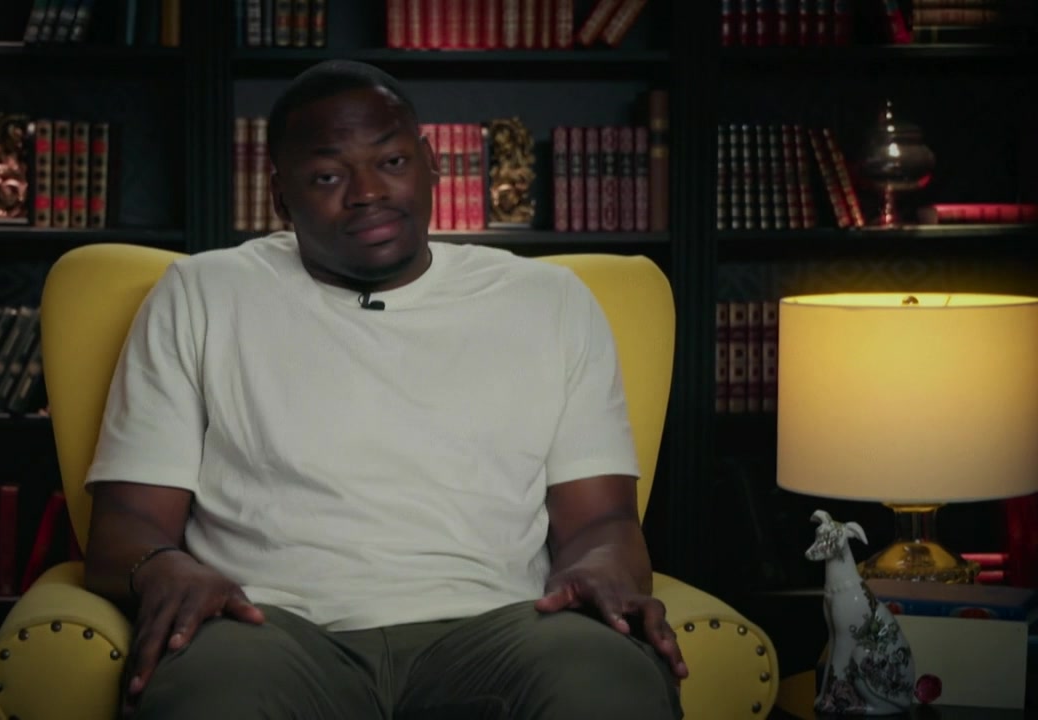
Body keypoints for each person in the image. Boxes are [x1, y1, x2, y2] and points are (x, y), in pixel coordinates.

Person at [83, 59, 687, 720]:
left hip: (505, 629)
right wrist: (164, 567)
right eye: (328, 176)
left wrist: (601, 567)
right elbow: (127, 524)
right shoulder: (200, 295)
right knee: (209, 698)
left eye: (392, 162)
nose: (367, 192)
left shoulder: (551, 301)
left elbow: (601, 521)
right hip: (266, 629)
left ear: (432, 164)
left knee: (606, 681)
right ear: (280, 196)